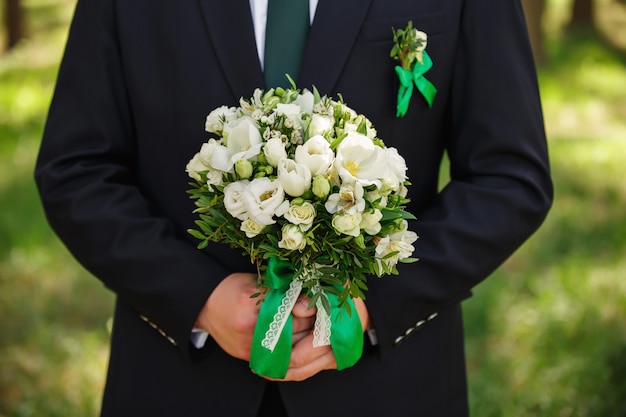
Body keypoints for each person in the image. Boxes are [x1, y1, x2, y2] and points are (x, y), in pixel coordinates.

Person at [35, 0, 553, 416]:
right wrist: (198, 297)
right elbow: (77, 169)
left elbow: (509, 177)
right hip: (179, 383)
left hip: (386, 387)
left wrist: (374, 303)